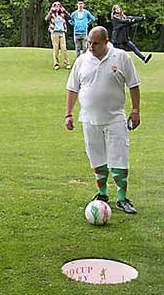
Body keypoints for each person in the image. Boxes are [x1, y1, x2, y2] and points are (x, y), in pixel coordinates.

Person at [65, 26, 141, 214]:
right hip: (89, 119)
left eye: (95, 43)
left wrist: (136, 110)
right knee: (96, 155)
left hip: (115, 118)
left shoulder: (122, 57)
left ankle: (122, 198)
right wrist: (68, 113)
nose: (90, 46)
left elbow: (133, 84)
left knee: (119, 158)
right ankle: (102, 193)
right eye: (89, 43)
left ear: (106, 42)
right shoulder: (82, 60)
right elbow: (72, 88)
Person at [45, 1, 71, 70]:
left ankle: (67, 63)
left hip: (62, 32)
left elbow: (69, 16)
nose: (57, 7)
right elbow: (46, 18)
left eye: (58, 6)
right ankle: (56, 64)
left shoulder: (62, 13)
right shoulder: (52, 14)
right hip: (54, 33)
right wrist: (51, 11)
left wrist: (64, 10)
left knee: (64, 48)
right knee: (56, 49)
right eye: (56, 6)